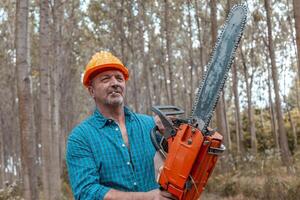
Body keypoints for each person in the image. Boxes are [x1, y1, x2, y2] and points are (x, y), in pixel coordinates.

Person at [66, 51, 175, 200]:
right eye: (105, 79)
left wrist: (181, 137)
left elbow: (177, 165)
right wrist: (147, 198)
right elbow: (86, 192)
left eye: (119, 78)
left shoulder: (150, 125)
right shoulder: (81, 137)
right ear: (92, 90)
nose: (115, 83)